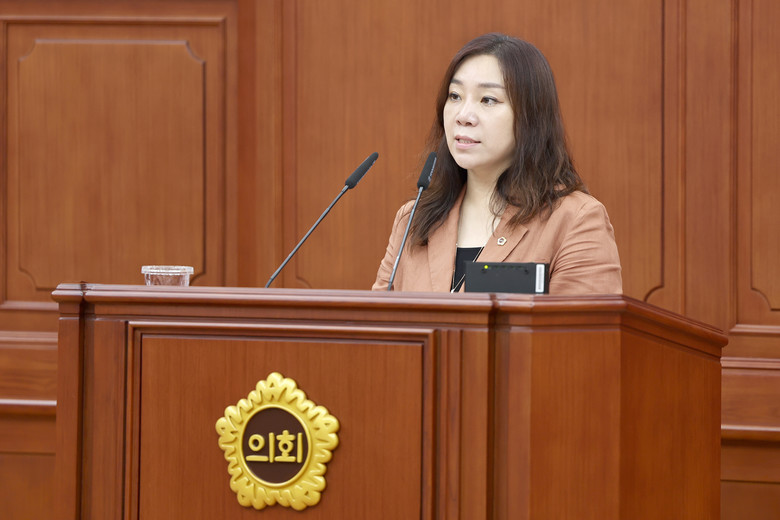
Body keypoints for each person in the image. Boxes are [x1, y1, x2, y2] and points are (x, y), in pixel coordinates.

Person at [372, 33, 622, 294]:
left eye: (487, 100)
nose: (463, 115)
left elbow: (583, 321)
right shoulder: (413, 219)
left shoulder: (575, 220)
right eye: (455, 96)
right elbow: (379, 318)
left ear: (530, 117)